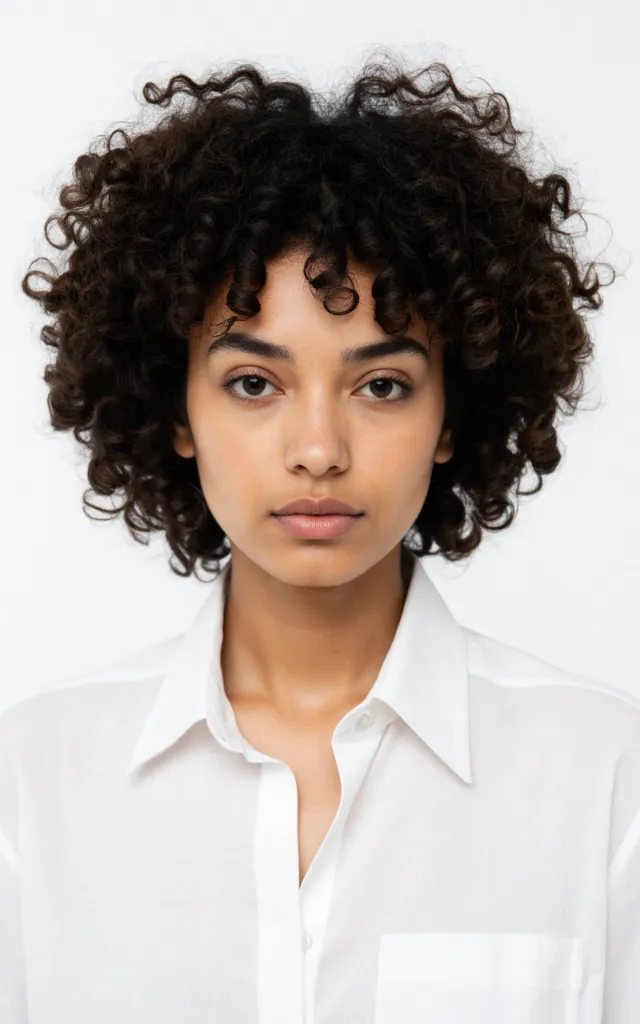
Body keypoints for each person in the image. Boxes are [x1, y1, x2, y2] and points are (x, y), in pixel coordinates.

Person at [1, 54, 638, 1024]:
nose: (317, 450)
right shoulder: (33, 784)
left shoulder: (602, 778)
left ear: (451, 415)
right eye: (253, 382)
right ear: (175, 410)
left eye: (380, 384)